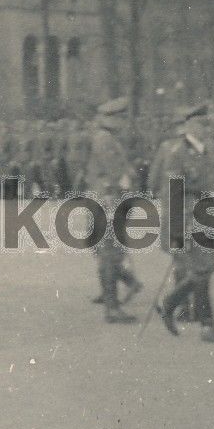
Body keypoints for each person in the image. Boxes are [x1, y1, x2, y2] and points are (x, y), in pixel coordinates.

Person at [149, 102, 214, 343]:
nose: (206, 129)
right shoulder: (177, 154)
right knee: (203, 269)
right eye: (201, 125)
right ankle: (205, 325)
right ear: (189, 126)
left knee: (204, 270)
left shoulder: (208, 149)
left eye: (208, 124)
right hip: (188, 219)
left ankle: (173, 304)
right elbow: (173, 193)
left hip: (207, 216)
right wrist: (178, 230)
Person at [83, 97, 141, 324]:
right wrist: (128, 180)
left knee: (106, 250)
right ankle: (113, 307)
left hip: (105, 199)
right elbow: (116, 172)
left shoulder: (107, 138)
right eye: (121, 118)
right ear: (112, 119)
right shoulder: (105, 139)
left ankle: (117, 292)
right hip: (108, 200)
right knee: (109, 252)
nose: (123, 123)